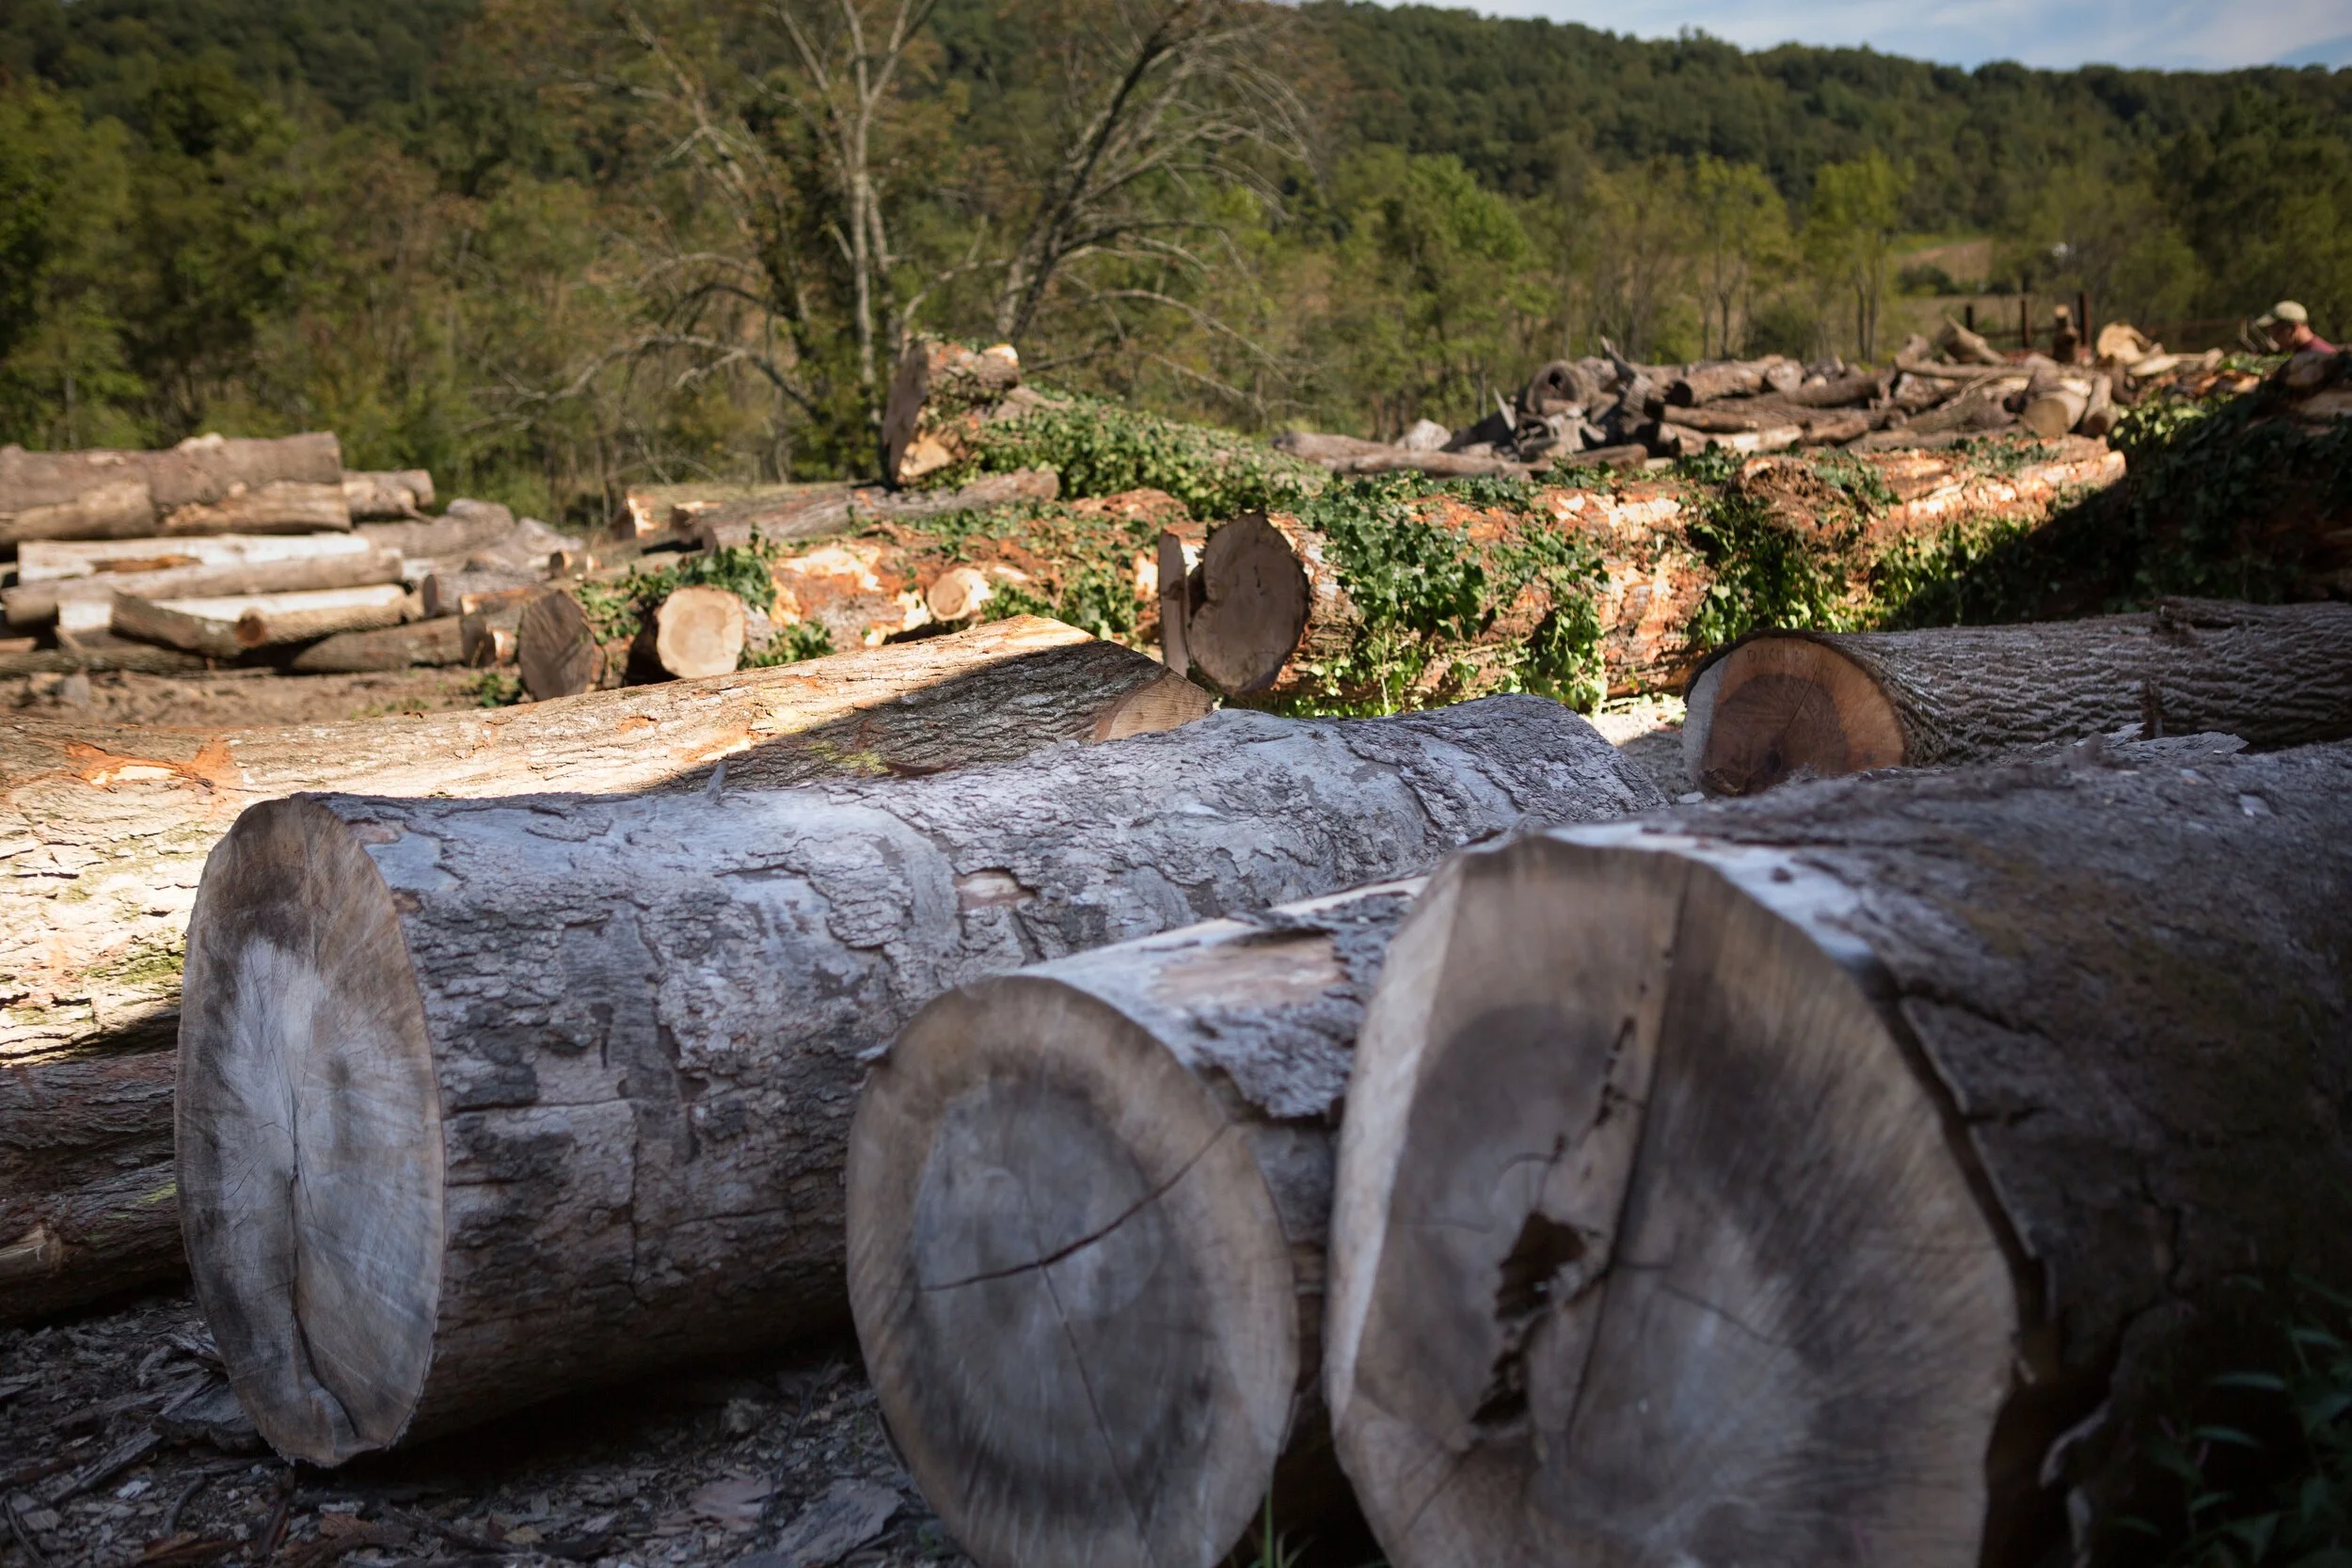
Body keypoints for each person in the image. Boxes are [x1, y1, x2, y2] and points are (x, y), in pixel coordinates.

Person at [2256, 301, 2337, 355]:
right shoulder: (2302, 353)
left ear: (2293, 328)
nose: (2273, 337)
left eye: (2277, 332)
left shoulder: (2318, 356)